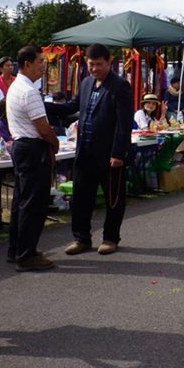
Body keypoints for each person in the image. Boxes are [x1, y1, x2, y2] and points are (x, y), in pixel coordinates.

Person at [52, 44, 133, 256]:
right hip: (85, 152)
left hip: (109, 155)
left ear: (109, 62)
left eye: (99, 64)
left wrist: (118, 153)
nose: (94, 68)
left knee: (113, 199)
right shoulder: (86, 83)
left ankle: (110, 238)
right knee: (81, 198)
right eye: (91, 64)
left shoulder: (120, 86)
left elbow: (124, 124)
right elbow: (71, 107)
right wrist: (42, 106)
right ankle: (81, 238)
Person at [6, 45, 61, 271]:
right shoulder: (28, 91)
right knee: (33, 204)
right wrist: (55, 143)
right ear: (27, 64)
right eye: (40, 61)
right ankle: (26, 254)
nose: (43, 66)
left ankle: (17, 249)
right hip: (32, 148)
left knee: (21, 201)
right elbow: (43, 128)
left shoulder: (16, 86)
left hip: (22, 147)